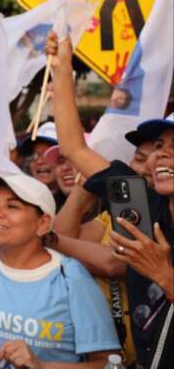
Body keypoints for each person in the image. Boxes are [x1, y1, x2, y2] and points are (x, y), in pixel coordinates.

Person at [47, 32, 174, 368]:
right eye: (161, 147)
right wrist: (62, 72)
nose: (163, 156)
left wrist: (164, 275)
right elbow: (75, 149)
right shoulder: (141, 204)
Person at [0, 172, 121, 367]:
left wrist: (41, 366)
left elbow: (107, 363)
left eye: (12, 206)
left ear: (42, 224)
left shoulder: (71, 277)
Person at [19, 121, 64, 208]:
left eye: (47, 154)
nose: (39, 161)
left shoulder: (80, 200)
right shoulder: (22, 199)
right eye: (34, 155)